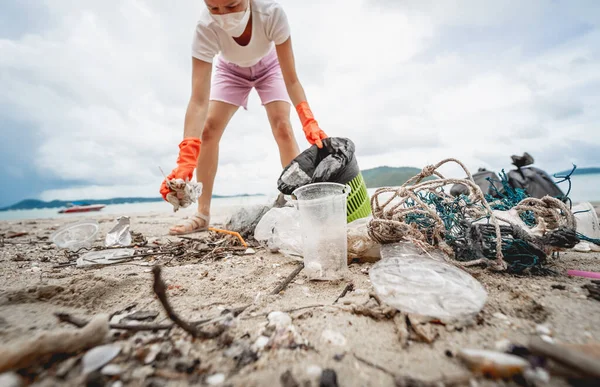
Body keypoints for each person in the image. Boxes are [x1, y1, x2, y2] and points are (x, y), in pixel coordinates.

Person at [160, 0, 328, 235]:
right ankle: (202, 214)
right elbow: (198, 101)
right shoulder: (205, 28)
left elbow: (291, 80)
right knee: (209, 129)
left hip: (270, 67)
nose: (223, 16)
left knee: (282, 126)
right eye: (214, 9)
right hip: (230, 71)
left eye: (231, 6)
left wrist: (308, 119)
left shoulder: (271, 13)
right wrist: (186, 158)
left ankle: (300, 203)